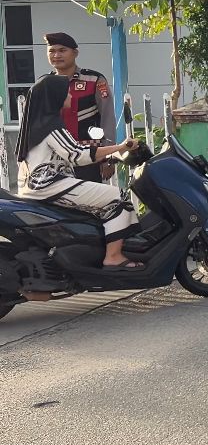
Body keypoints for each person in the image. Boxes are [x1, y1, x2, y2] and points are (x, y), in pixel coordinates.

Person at [16, 75, 141, 269]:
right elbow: (78, 155)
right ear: (55, 96)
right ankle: (113, 256)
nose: (71, 95)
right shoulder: (52, 126)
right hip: (49, 185)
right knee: (119, 196)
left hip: (34, 186)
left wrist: (110, 153)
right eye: (66, 91)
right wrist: (120, 147)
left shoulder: (37, 125)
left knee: (98, 205)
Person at [45, 32, 115, 182]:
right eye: (52, 51)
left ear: (75, 53)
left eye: (62, 50)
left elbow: (107, 119)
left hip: (89, 157)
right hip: (55, 159)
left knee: (91, 203)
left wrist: (107, 158)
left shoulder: (94, 80)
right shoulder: (45, 83)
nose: (56, 55)